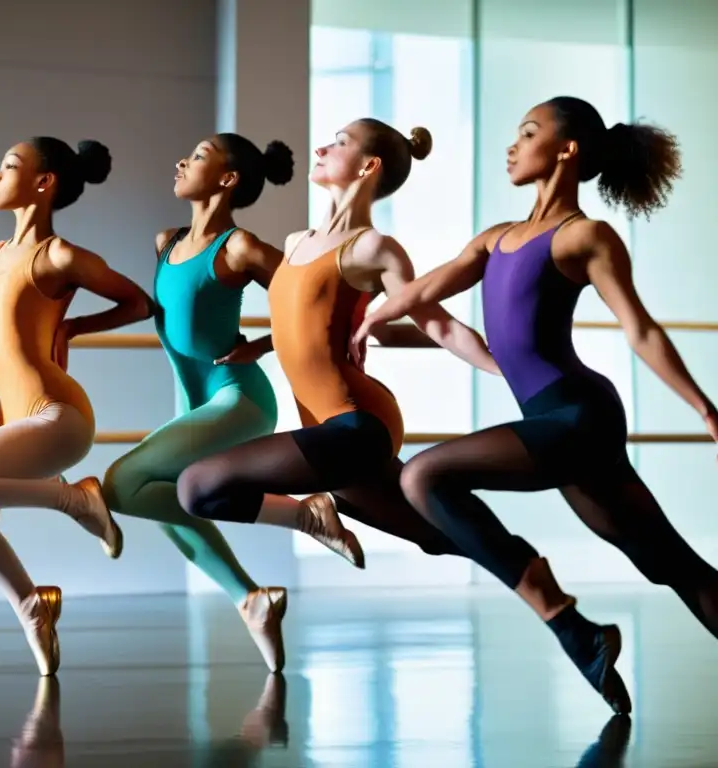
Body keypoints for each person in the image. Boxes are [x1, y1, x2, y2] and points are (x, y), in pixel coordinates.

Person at [349, 96, 718, 715]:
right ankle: (584, 631)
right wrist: (366, 321)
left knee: (425, 474)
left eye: (528, 132)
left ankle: (568, 623)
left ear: (567, 149)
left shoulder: (585, 236)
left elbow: (641, 330)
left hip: (578, 414)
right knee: (670, 564)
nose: (512, 145)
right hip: (553, 421)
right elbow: (421, 291)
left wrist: (706, 410)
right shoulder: (494, 239)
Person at [176, 118, 497, 601]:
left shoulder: (373, 248)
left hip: (358, 425)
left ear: (369, 166)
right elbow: (308, 321)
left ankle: (311, 514)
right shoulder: (295, 242)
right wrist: (260, 346)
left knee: (197, 486)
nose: (323, 147)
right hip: (323, 427)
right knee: (437, 536)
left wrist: (507, 364)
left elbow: (437, 324)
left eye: (341, 142)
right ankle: (554, 596)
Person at [0, 136, 153, 676]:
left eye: (10, 166)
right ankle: (31, 606)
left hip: (56, 416)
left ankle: (73, 501)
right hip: (12, 420)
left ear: (43, 183)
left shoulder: (58, 256)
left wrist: (76, 325)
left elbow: (138, 302)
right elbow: (2, 321)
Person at [94, 133, 298, 672]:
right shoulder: (166, 241)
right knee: (161, 497)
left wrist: (259, 345)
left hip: (239, 400)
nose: (183, 160)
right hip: (193, 408)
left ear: (227, 180)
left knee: (119, 485)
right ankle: (252, 601)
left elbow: (309, 299)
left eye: (201, 156)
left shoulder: (238, 247)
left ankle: (303, 514)